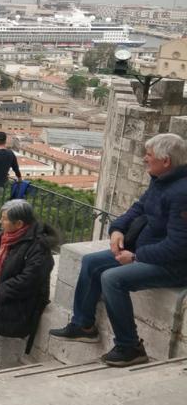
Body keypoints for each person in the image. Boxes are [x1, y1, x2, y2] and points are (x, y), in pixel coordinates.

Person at [50, 133, 187, 367]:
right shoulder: (160, 180)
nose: (144, 159)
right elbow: (138, 209)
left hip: (173, 265)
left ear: (166, 161)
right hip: (147, 252)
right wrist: (116, 230)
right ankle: (84, 325)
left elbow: (179, 246)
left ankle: (129, 346)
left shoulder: (182, 193)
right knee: (91, 262)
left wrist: (136, 257)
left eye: (149, 155)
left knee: (112, 279)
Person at [0, 199, 57, 374]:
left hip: (24, 299)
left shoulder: (39, 246)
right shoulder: (6, 237)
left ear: (19, 224)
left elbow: (30, 279)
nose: (0, 222)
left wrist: (1, 291)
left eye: (4, 219)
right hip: (3, 289)